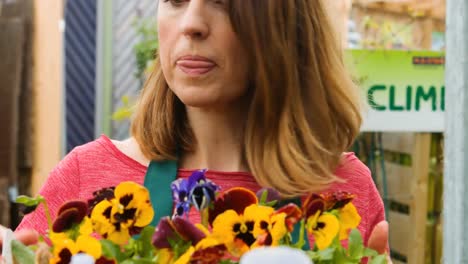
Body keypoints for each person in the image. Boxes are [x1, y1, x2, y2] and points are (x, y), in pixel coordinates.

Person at [6, 0, 389, 256]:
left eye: (223, 1)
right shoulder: (84, 176)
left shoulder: (342, 190)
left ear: (285, 25)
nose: (190, 25)